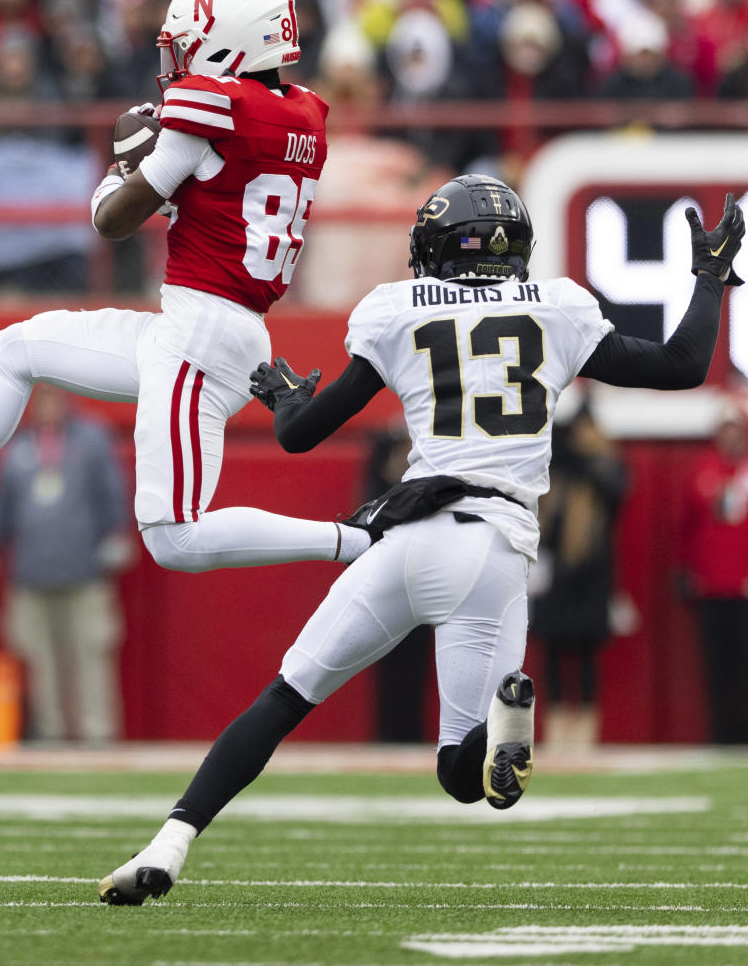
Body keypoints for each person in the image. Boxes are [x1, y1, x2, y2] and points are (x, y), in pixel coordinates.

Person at [97, 175, 744, 906]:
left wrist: (285, 396)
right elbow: (683, 365)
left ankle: (170, 842)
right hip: (494, 548)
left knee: (282, 699)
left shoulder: (397, 310)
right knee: (464, 779)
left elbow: (300, 436)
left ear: (435, 245)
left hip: (405, 538)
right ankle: (506, 716)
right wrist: (711, 274)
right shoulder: (557, 309)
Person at [0, 0, 372, 577]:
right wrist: (158, 178)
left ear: (227, 39)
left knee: (173, 538)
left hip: (201, 337)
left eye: (186, 42)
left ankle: (354, 540)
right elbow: (221, 195)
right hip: (205, 328)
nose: (179, 59)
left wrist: (119, 170)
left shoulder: (218, 109)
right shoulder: (300, 114)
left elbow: (110, 221)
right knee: (13, 349)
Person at [0, 386, 133, 745]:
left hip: (84, 571)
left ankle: (97, 730)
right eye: (42, 399)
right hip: (31, 573)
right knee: (38, 657)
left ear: (69, 399)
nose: (49, 406)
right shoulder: (18, 448)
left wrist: (118, 533)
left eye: (56, 397)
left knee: (90, 651)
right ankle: (50, 729)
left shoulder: (91, 440)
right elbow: (0, 507)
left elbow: (111, 490)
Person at [529, 402, 628, 750]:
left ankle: (584, 739)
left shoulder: (606, 464)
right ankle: (556, 738)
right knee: (553, 657)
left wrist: (582, 456)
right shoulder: (557, 471)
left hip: (590, 577)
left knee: (586, 657)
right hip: (556, 578)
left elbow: (614, 489)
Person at [681, 401, 748, 743]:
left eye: (734, 428)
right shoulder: (703, 470)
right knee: (717, 666)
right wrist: (688, 571)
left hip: (743, 588)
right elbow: (689, 528)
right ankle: (721, 735)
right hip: (711, 587)